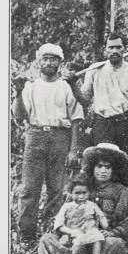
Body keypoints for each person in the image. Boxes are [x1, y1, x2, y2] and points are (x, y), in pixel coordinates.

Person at [64, 32, 128, 219]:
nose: (115, 51)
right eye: (111, 47)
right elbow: (85, 100)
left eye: (118, 47)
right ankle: (98, 218)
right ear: (105, 50)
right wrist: (72, 84)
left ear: (124, 49)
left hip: (126, 124)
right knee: (99, 169)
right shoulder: (95, 70)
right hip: (102, 124)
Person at [11, 43, 83, 242]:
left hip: (60, 137)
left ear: (60, 62)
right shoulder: (30, 87)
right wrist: (17, 93)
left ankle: (53, 233)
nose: (49, 63)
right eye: (45, 58)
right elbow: (19, 116)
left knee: (56, 188)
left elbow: (76, 119)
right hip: (35, 137)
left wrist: (73, 150)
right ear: (39, 61)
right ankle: (26, 235)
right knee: (29, 188)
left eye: (53, 59)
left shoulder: (66, 87)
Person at [33, 143, 128, 254]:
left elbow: (127, 223)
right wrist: (67, 232)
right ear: (92, 167)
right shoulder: (80, 188)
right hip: (75, 237)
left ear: (114, 169)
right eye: (99, 166)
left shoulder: (123, 192)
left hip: (101, 241)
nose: (103, 171)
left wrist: (111, 233)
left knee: (117, 244)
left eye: (107, 167)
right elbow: (64, 215)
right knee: (47, 239)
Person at [53, 174, 109, 254]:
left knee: (97, 236)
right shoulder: (67, 206)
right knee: (79, 239)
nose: (81, 196)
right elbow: (59, 224)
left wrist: (104, 222)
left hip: (90, 230)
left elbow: (100, 216)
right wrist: (71, 231)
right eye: (77, 193)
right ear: (70, 193)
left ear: (89, 193)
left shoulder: (91, 205)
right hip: (75, 231)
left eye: (84, 193)